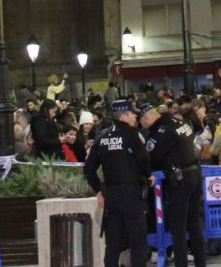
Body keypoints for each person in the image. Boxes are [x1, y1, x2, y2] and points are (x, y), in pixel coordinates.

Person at [84, 100, 152, 267]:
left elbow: (88, 169)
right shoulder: (132, 135)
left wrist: (98, 190)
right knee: (138, 242)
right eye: (132, 113)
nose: (135, 116)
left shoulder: (102, 137)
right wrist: (148, 175)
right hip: (132, 195)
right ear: (123, 116)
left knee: (112, 244)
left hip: (112, 196)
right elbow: (144, 159)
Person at [147, 101, 208, 267]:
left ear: (148, 118)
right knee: (194, 224)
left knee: (178, 227)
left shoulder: (162, 132)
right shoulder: (180, 123)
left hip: (180, 179)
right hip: (195, 174)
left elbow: (152, 158)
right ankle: (201, 263)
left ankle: (181, 264)